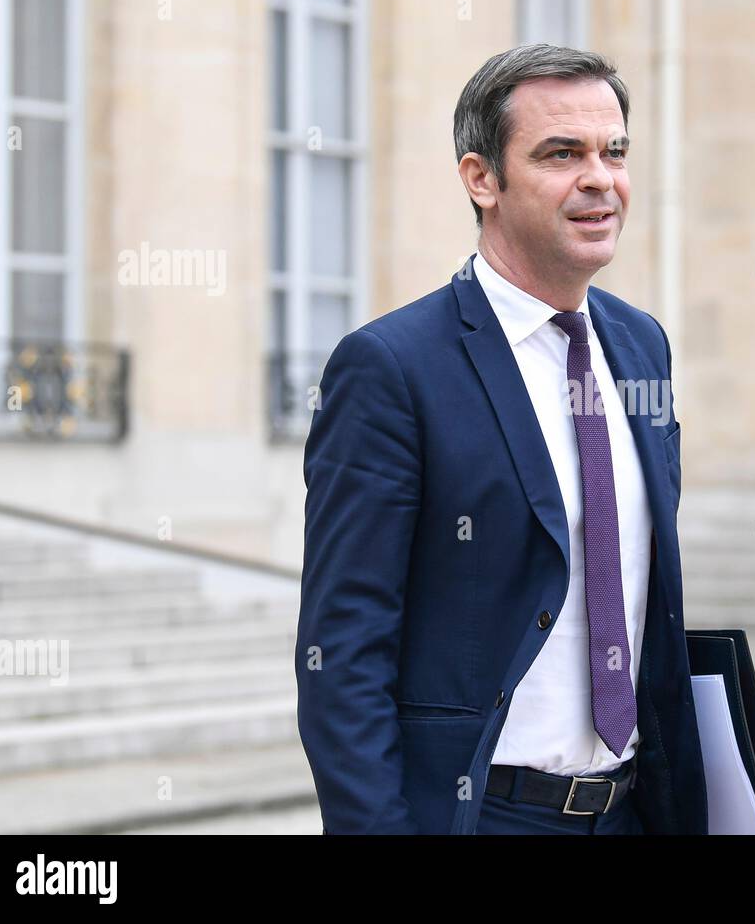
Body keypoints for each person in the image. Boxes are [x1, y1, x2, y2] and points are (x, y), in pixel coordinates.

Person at [295, 43, 706, 835]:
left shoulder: (641, 345)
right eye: (561, 153)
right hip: (484, 816)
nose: (600, 178)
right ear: (482, 178)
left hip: (632, 812)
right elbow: (343, 653)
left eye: (613, 152)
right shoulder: (391, 368)